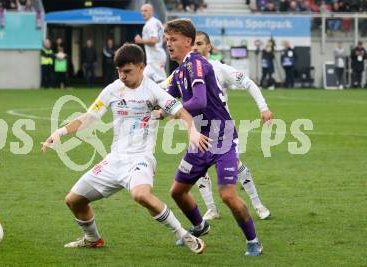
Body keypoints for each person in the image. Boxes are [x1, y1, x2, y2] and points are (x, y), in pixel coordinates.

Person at [41, 43, 208, 254]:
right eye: (119, 71)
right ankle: (92, 239)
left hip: (141, 159)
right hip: (114, 160)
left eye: (127, 71)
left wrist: (191, 130)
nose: (122, 76)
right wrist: (60, 133)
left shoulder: (154, 90)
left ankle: (184, 235)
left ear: (141, 67)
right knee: (73, 200)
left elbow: (182, 111)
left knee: (141, 195)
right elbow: (88, 117)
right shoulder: (112, 90)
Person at [163, 18, 263, 256]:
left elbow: (199, 101)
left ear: (188, 42)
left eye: (173, 39)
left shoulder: (195, 64)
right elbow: (165, 99)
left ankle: (253, 241)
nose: (168, 44)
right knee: (177, 192)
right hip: (200, 140)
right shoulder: (179, 72)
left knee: (227, 194)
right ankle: (200, 225)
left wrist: (172, 112)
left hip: (222, 137)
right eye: (167, 39)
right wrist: (149, 104)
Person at [183, 31, 272, 221]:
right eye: (193, 44)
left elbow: (249, 84)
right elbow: (162, 89)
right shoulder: (185, 71)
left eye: (200, 44)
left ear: (209, 47)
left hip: (222, 130)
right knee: (197, 169)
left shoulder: (219, 68)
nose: (195, 48)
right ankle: (212, 209)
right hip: (198, 129)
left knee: (236, 166)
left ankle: (258, 205)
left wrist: (264, 108)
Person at [135, 4, 167, 83]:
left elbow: (154, 41)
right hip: (155, 56)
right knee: (142, 81)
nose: (143, 13)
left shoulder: (150, 24)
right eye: (142, 11)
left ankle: (170, 93)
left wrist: (140, 40)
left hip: (155, 58)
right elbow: (164, 38)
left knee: (162, 82)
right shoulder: (157, 22)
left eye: (145, 10)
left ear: (152, 12)